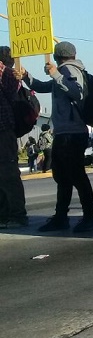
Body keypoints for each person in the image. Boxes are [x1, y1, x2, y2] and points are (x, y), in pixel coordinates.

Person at [22, 41, 93, 233]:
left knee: (76, 176)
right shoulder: (63, 72)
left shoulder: (70, 71)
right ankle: (61, 217)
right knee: (63, 177)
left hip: (72, 133)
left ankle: (89, 218)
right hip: (65, 132)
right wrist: (26, 76)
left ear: (58, 56)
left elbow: (76, 92)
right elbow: (43, 86)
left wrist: (55, 73)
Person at [0, 46, 28, 229]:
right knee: (6, 174)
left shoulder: (7, 73)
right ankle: (8, 214)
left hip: (3, 130)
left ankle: (16, 215)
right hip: (5, 130)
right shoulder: (11, 74)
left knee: (8, 174)